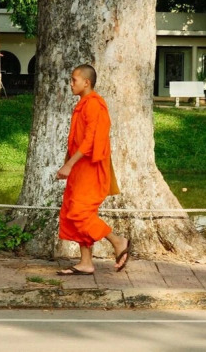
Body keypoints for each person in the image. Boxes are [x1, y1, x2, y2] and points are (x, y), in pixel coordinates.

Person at [55, 64, 131, 275]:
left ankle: (118, 241)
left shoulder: (94, 104)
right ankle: (86, 263)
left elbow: (90, 141)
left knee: (80, 212)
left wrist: (69, 164)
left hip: (91, 167)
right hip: (80, 168)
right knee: (75, 212)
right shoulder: (83, 104)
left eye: (74, 80)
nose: (71, 84)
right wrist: (70, 164)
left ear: (86, 82)